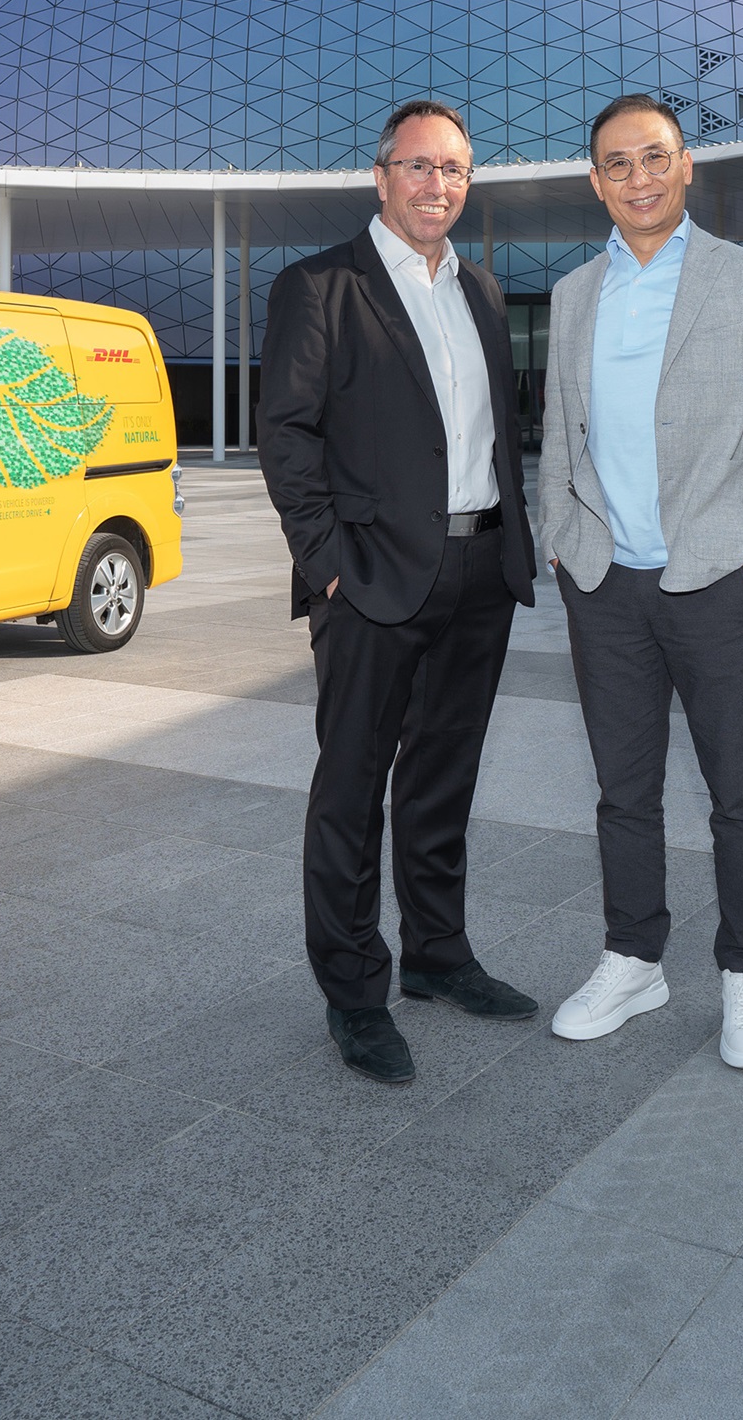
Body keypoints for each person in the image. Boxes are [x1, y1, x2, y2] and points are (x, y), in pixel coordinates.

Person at [256, 98, 542, 1086]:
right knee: (351, 788)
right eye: (418, 167)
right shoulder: (320, 287)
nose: (437, 186)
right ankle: (353, 992)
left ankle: (436, 955)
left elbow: (490, 436)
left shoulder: (482, 292)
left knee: (442, 778)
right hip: (372, 577)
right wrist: (326, 559)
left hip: (479, 570)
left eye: (455, 170)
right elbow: (285, 434)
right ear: (379, 176)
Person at [537, 93, 743, 1070]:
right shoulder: (575, 296)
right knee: (622, 791)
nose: (637, 178)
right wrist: (566, 548)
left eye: (652, 157)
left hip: (716, 582)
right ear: (595, 181)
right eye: (615, 163)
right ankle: (632, 956)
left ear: (685, 165)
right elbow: (556, 442)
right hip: (606, 587)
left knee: (738, 792)